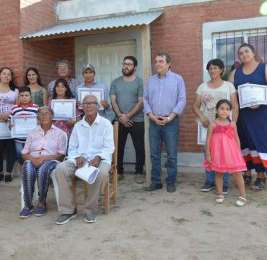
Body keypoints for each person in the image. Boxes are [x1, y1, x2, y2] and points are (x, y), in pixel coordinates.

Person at [229, 43, 267, 191]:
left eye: (246, 51)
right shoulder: (235, 73)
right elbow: (230, 93)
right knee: (245, 143)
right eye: (240, 53)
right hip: (243, 114)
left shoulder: (265, 68)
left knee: (261, 142)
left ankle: (261, 175)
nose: (244, 54)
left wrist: (262, 101)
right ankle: (246, 173)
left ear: (253, 53)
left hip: (262, 113)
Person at [54, 95, 114, 225]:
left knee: (102, 173)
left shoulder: (106, 124)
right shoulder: (78, 126)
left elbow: (109, 148)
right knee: (60, 169)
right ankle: (68, 210)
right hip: (80, 160)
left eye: (92, 103)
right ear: (82, 107)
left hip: (100, 159)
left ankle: (89, 209)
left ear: (98, 106)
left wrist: (98, 157)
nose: (89, 106)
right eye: (86, 104)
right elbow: (72, 147)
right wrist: (77, 157)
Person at [193, 59, 239, 193]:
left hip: (224, 126)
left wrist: (233, 123)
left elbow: (235, 106)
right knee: (208, 152)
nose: (212, 70)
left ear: (221, 70)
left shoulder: (228, 86)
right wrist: (202, 118)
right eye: (210, 68)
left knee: (223, 153)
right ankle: (210, 181)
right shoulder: (202, 87)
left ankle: (224, 184)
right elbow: (195, 106)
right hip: (207, 126)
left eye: (215, 68)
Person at [143, 52, 186, 193]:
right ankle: (156, 182)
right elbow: (145, 99)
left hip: (170, 121)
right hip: (154, 121)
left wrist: (170, 117)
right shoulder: (151, 80)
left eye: (161, 61)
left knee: (171, 154)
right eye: (156, 62)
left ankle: (171, 181)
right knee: (154, 154)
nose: (157, 64)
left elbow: (182, 100)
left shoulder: (178, 79)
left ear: (168, 64)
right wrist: (150, 115)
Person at [19, 107, 68, 219]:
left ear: (52, 116)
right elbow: (24, 153)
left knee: (43, 170)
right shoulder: (32, 132)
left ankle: (42, 202)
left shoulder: (60, 133)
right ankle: (28, 205)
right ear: (37, 118)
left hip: (51, 160)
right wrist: (32, 159)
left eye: (46, 114)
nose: (44, 116)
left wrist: (45, 158)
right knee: (27, 168)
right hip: (33, 159)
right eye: (41, 114)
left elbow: (61, 155)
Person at [204, 99, 247, 206]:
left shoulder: (232, 124)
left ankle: (243, 195)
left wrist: (238, 152)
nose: (224, 111)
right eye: (222, 109)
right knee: (219, 173)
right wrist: (208, 154)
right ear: (217, 110)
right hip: (218, 153)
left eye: (227, 109)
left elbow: (237, 138)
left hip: (232, 152)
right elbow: (208, 140)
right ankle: (220, 193)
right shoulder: (213, 124)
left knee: (237, 173)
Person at [110, 56, 145, 184]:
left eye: (129, 64)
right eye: (124, 64)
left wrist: (127, 116)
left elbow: (141, 102)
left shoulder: (140, 82)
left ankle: (139, 171)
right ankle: (118, 171)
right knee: (117, 147)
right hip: (118, 120)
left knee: (139, 147)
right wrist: (120, 116)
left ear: (135, 68)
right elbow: (113, 100)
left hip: (137, 120)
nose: (126, 66)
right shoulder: (115, 82)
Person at [0, 67, 19, 183]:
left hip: (10, 123)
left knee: (10, 148)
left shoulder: (15, 91)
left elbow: (17, 106)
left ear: (11, 77)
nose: (6, 76)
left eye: (9, 74)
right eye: (4, 73)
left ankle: (8, 173)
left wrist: (9, 114)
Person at [10, 87, 39, 166]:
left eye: (26, 95)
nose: (24, 97)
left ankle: (30, 169)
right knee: (19, 154)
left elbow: (39, 121)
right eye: (22, 95)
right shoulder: (15, 108)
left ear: (30, 97)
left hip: (32, 138)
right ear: (18, 97)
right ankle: (22, 168)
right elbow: (10, 120)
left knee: (31, 153)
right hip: (18, 138)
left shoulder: (35, 108)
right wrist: (11, 125)